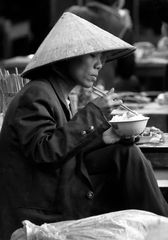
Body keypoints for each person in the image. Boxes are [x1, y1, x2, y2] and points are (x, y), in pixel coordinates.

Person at [0, 12, 168, 240]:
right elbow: (44, 152)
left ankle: (161, 224)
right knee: (126, 162)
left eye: (102, 57)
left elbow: (60, 146)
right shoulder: (37, 94)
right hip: (41, 210)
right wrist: (95, 113)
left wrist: (102, 138)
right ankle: (161, 225)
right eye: (92, 56)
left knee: (124, 153)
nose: (100, 64)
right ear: (67, 57)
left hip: (59, 192)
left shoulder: (56, 93)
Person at [67, 0, 139, 91]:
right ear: (118, 3)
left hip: (64, 88)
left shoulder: (71, 13)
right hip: (100, 91)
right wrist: (128, 28)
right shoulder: (121, 26)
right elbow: (127, 71)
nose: (99, 64)